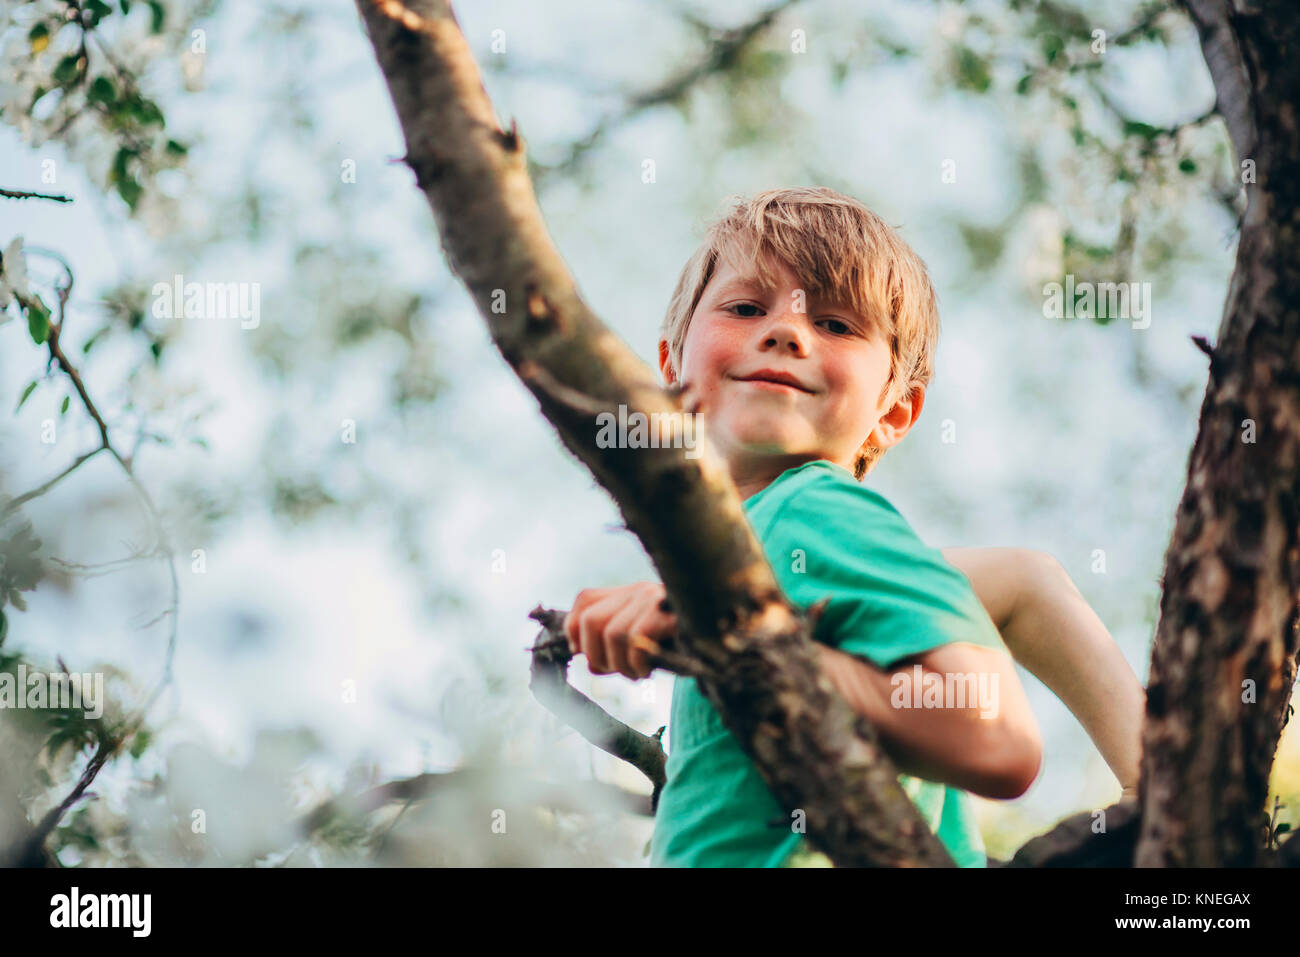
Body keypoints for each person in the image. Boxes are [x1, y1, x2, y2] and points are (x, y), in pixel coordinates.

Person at [563, 186, 1145, 866]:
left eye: (838, 325)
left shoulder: (808, 508)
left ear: (894, 413)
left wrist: (725, 634)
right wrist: (1187, 805)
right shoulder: (776, 549)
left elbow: (994, 738)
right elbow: (1024, 582)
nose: (786, 331)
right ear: (671, 370)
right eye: (747, 307)